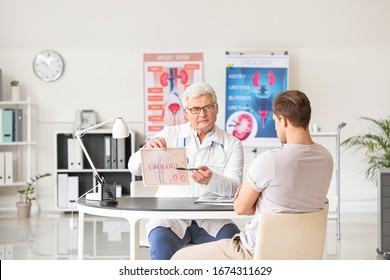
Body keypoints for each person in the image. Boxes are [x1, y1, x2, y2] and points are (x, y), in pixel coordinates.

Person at [171, 89, 334, 260]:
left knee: (179, 258)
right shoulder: (326, 157)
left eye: (275, 122)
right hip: (302, 252)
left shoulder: (269, 160)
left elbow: (241, 208)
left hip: (255, 253)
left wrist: (252, 197)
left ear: (283, 120)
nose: (276, 127)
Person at [128, 82, 244, 260]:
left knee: (236, 247)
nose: (202, 114)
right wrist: (147, 151)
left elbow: (235, 187)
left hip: (212, 218)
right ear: (186, 113)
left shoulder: (232, 144)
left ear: (217, 108)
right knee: (161, 245)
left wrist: (211, 180)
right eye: (195, 109)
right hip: (171, 217)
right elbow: (133, 167)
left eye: (207, 107)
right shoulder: (169, 134)